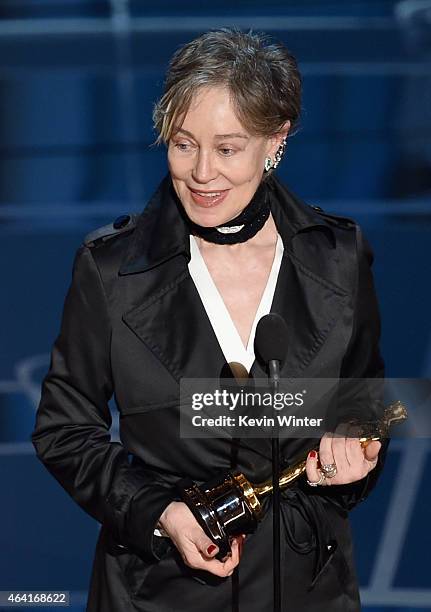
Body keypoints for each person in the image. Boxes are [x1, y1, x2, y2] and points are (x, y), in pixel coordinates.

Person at [32, 28, 387, 612]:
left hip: (310, 589)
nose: (201, 173)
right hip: (159, 591)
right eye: (182, 144)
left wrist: (352, 449)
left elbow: (367, 398)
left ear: (276, 140)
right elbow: (64, 430)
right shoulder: (111, 270)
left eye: (227, 148)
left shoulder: (339, 256)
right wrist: (159, 513)